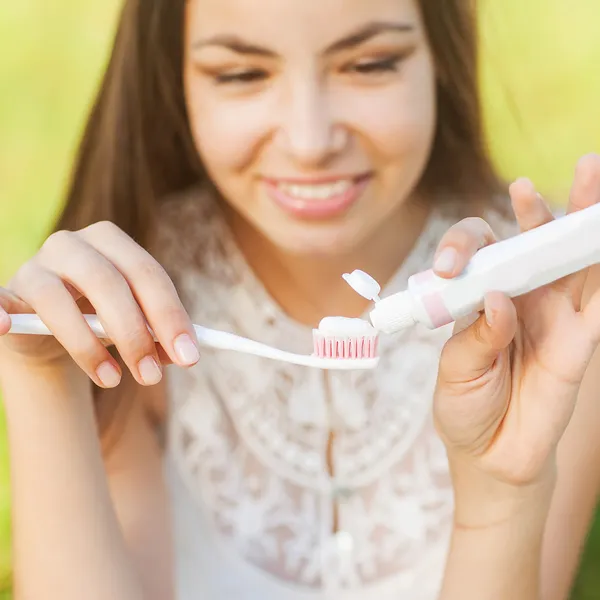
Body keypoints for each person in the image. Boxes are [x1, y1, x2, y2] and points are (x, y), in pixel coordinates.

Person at [2, 0, 600, 598]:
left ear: (439, 56)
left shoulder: (551, 315)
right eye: (242, 74)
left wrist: (503, 494)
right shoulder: (138, 308)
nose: (310, 142)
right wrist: (44, 384)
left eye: (370, 63)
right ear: (173, 78)